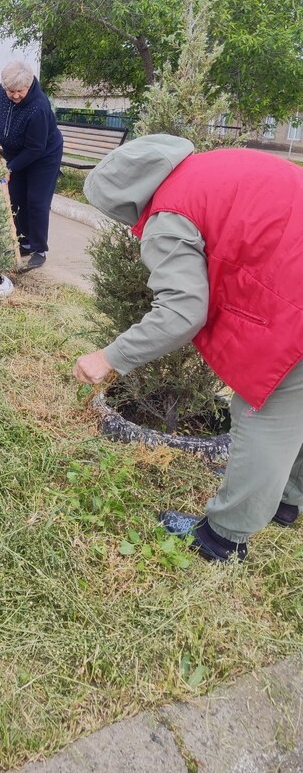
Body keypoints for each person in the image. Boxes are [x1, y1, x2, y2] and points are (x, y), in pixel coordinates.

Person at [73, 134, 303, 562]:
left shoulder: (169, 215)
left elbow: (182, 312)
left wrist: (108, 358)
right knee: (297, 404)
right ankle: (287, 500)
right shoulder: (212, 168)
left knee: (264, 410)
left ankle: (223, 539)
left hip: (295, 307)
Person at [0, 61, 63, 270]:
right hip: (16, 153)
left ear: (29, 85)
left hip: (43, 156)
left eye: (19, 91)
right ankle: (24, 242)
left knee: (36, 200)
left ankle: (39, 249)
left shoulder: (38, 107)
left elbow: (35, 148)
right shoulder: (3, 90)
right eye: (10, 91)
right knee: (16, 197)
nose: (14, 95)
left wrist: (10, 168)